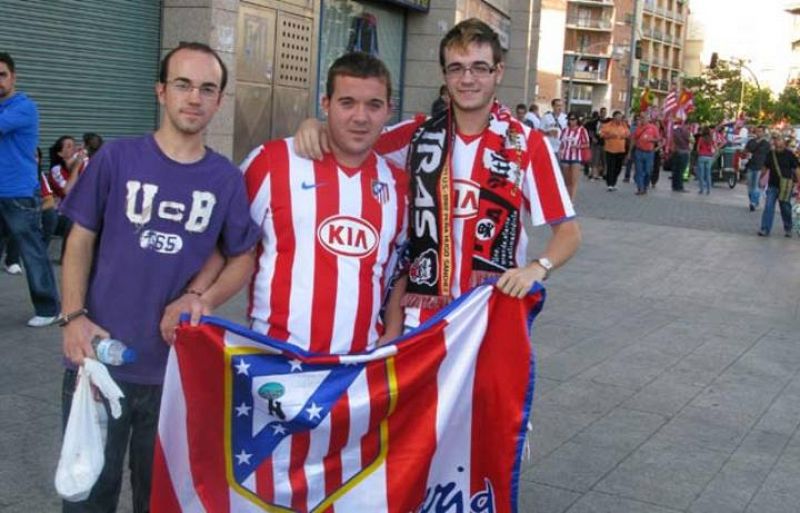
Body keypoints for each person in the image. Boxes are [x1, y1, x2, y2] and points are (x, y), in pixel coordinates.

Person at [58, 42, 261, 512]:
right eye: (183, 85)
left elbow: (242, 256)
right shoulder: (116, 159)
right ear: (161, 92)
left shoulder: (226, 179)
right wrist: (72, 317)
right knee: (87, 495)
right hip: (96, 363)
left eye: (207, 89)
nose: (194, 97)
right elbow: (79, 241)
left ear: (219, 101)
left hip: (175, 373)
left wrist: (201, 299)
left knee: (159, 501)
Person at [294, 19, 581, 330]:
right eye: (456, 68)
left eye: (479, 68)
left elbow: (568, 232)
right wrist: (315, 125)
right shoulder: (417, 134)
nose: (467, 79)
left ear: (498, 71)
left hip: (491, 312)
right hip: (422, 320)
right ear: (445, 75)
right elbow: (352, 137)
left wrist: (537, 268)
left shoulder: (526, 143)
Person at [238, 52, 408, 353]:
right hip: (274, 361)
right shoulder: (271, 162)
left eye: (374, 105)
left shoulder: (397, 184)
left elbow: (400, 268)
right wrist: (200, 296)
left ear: (388, 111)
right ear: (325, 104)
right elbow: (226, 245)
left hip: (355, 370)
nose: (360, 117)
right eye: (347, 103)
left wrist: (393, 329)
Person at [0, 52, 61, 327]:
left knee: (32, 251)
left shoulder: (24, 107)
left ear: (13, 77)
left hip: (18, 193)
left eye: (2, 75)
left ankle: (49, 308)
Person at [758, 136, 799, 237]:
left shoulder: (789, 154)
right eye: (775, 140)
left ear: (784, 143)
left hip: (785, 186)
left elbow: (796, 169)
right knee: (768, 206)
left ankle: (788, 227)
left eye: (779, 140)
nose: (776, 142)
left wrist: (798, 182)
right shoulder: (771, 154)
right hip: (772, 185)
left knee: (785, 207)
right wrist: (760, 178)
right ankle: (765, 228)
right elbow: (765, 167)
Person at [558, 112, 590, 198]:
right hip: (565, 156)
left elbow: (587, 144)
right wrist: (560, 152)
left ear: (577, 120)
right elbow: (561, 143)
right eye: (569, 119)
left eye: (573, 119)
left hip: (576, 157)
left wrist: (578, 146)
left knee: (574, 181)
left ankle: (571, 201)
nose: (571, 121)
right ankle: (567, 199)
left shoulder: (582, 130)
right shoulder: (565, 130)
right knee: (567, 181)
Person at [599, 110, 629, 191]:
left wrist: (624, 135)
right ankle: (610, 183)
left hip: (621, 150)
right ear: (614, 117)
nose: (619, 119)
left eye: (620, 117)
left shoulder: (624, 125)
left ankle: (614, 182)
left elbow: (627, 134)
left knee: (618, 167)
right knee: (611, 167)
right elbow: (601, 135)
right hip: (610, 149)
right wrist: (610, 135)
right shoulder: (608, 125)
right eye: (618, 117)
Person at [632, 113, 661, 195]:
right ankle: (640, 188)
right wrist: (630, 151)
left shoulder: (653, 128)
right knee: (639, 171)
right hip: (639, 151)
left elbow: (658, 139)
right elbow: (634, 139)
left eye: (644, 118)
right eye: (641, 118)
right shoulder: (638, 128)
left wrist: (652, 140)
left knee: (648, 171)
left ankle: (645, 186)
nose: (643, 119)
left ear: (648, 119)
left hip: (649, 153)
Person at [745, 125, 770, 211]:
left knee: (756, 186)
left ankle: (753, 203)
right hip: (750, 165)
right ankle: (753, 201)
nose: (758, 133)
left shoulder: (766, 144)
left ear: (763, 133)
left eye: (760, 131)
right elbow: (746, 151)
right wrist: (746, 154)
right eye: (757, 131)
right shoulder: (751, 141)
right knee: (749, 186)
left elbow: (768, 156)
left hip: (760, 166)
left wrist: (766, 167)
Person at [669, 121, 692, 192]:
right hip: (684, 152)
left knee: (676, 170)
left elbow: (674, 139)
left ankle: (674, 186)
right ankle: (680, 187)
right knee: (681, 170)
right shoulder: (686, 132)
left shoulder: (675, 131)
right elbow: (690, 140)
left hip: (676, 151)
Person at [695, 126, 717, 195]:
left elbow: (697, 148)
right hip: (709, 157)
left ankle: (701, 190)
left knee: (701, 174)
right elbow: (715, 147)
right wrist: (713, 154)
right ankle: (708, 190)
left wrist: (699, 153)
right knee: (708, 174)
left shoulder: (701, 139)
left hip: (701, 156)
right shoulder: (711, 139)